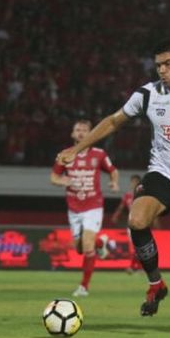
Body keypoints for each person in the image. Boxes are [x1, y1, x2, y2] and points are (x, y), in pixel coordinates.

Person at [57, 40, 170, 335]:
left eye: (168, 64)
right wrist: (78, 149)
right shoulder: (148, 94)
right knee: (137, 219)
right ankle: (156, 283)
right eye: (158, 65)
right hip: (162, 175)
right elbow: (114, 121)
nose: (162, 70)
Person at [50, 119, 120, 297]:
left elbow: (113, 170)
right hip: (74, 208)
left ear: (90, 134)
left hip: (93, 205)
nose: (81, 133)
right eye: (78, 130)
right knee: (80, 248)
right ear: (72, 134)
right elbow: (54, 177)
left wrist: (114, 182)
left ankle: (84, 287)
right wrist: (62, 181)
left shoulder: (99, 154)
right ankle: (101, 243)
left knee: (87, 245)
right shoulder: (65, 155)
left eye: (84, 130)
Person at [110, 174, 147, 273]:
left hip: (142, 222)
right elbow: (121, 207)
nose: (133, 184)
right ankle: (136, 267)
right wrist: (116, 215)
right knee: (136, 246)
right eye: (132, 182)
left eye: (135, 182)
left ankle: (134, 267)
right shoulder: (127, 195)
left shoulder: (143, 194)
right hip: (131, 224)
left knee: (140, 246)